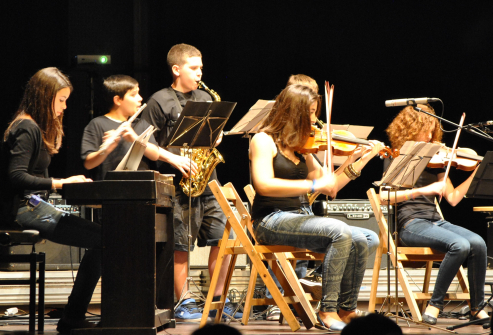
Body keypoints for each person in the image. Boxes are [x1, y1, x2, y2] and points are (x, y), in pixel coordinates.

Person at [249, 84, 385, 330]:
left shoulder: (302, 147)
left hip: (299, 217)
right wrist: (311, 184)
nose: (315, 119)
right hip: (270, 220)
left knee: (368, 237)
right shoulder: (263, 140)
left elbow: (331, 187)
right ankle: (327, 311)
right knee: (339, 231)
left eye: (315, 112)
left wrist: (359, 159)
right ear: (293, 111)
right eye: (310, 112)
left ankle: (347, 310)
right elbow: (263, 185)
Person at [0, 67, 101, 334]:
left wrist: (64, 183)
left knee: (106, 237)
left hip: (33, 205)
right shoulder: (26, 127)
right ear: (45, 97)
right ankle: (73, 316)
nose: (64, 107)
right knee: (104, 239)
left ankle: (75, 314)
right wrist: (59, 183)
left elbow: (34, 179)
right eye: (61, 100)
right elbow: (16, 177)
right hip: (20, 210)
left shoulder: (34, 127)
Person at [141, 43, 239, 321]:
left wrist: (216, 136)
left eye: (201, 68)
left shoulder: (207, 97)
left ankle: (218, 298)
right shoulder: (159, 100)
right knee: (181, 244)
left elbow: (213, 134)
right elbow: (143, 142)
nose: (199, 73)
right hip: (179, 183)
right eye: (194, 68)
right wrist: (174, 160)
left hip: (209, 181)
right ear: (176, 69)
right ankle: (183, 301)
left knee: (224, 240)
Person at [381, 104, 488, 325]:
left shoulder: (438, 161)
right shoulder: (397, 156)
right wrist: (423, 191)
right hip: (410, 223)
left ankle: (476, 308)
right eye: (425, 129)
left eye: (433, 130)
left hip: (435, 222)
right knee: (460, 245)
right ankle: (435, 304)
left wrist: (477, 171)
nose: (430, 136)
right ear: (410, 129)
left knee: (478, 243)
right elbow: (385, 196)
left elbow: (454, 198)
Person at [81, 74, 160, 179]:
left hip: (140, 188)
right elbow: (88, 164)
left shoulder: (141, 124)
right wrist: (106, 149)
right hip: (109, 189)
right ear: (118, 100)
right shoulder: (97, 124)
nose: (140, 98)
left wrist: (136, 139)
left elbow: (155, 155)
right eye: (133, 95)